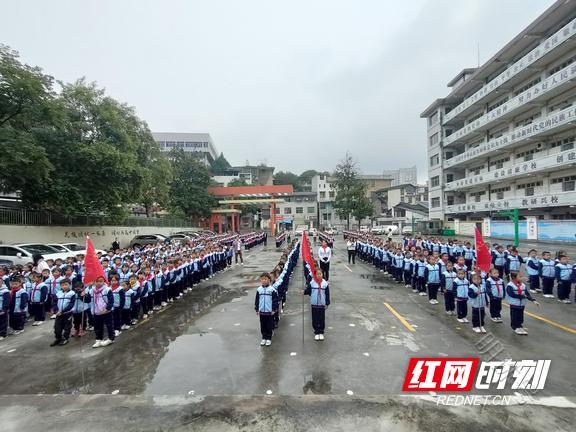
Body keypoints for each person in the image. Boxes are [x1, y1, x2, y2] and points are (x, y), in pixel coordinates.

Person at [304, 268, 330, 341]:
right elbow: (308, 291)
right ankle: (316, 332)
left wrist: (327, 303)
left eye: (320, 274)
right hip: (314, 304)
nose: (319, 275)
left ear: (322, 275)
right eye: (317, 274)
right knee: (315, 319)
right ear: (315, 275)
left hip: (322, 304)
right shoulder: (312, 283)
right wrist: (304, 291)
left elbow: (327, 294)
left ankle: (321, 332)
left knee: (321, 318)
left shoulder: (325, 284)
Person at [50, 279, 77, 346]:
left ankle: (65, 338)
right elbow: (54, 303)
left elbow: (71, 304)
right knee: (57, 327)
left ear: (70, 285)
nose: (64, 286)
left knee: (67, 327)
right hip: (58, 313)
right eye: (62, 285)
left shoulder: (72, 294)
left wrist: (63, 311)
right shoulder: (58, 293)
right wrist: (56, 310)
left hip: (67, 313)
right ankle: (58, 338)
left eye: (66, 285)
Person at [90, 276, 115, 348]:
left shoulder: (107, 290)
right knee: (98, 326)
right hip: (96, 311)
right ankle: (98, 339)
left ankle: (111, 338)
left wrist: (107, 308)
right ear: (94, 282)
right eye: (97, 281)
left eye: (101, 281)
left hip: (106, 311)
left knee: (109, 325)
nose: (99, 283)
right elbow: (88, 300)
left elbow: (111, 301)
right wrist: (82, 295)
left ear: (104, 282)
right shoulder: (92, 290)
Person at [254, 273, 278, 346]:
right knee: (263, 325)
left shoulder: (272, 290)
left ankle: (269, 338)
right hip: (262, 312)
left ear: (269, 280)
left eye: (265, 279)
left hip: (269, 312)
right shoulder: (259, 290)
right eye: (262, 279)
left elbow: (275, 300)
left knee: (269, 325)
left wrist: (274, 309)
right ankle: (264, 337)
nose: (263, 281)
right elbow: (257, 300)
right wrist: (257, 309)